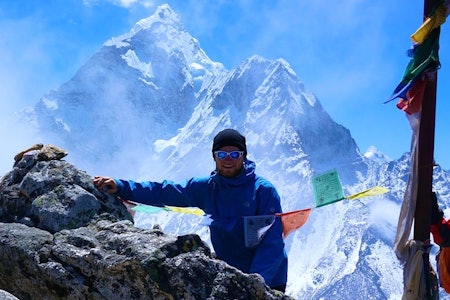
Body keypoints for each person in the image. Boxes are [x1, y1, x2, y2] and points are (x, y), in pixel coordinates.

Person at [94, 128, 288, 292]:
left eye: (234, 154)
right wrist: (121, 186)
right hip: (231, 272)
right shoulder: (206, 187)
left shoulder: (263, 191)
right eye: (222, 154)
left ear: (244, 156)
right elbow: (164, 192)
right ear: (214, 157)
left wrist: (255, 285)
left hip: (268, 279)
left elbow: (271, 244)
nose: (228, 159)